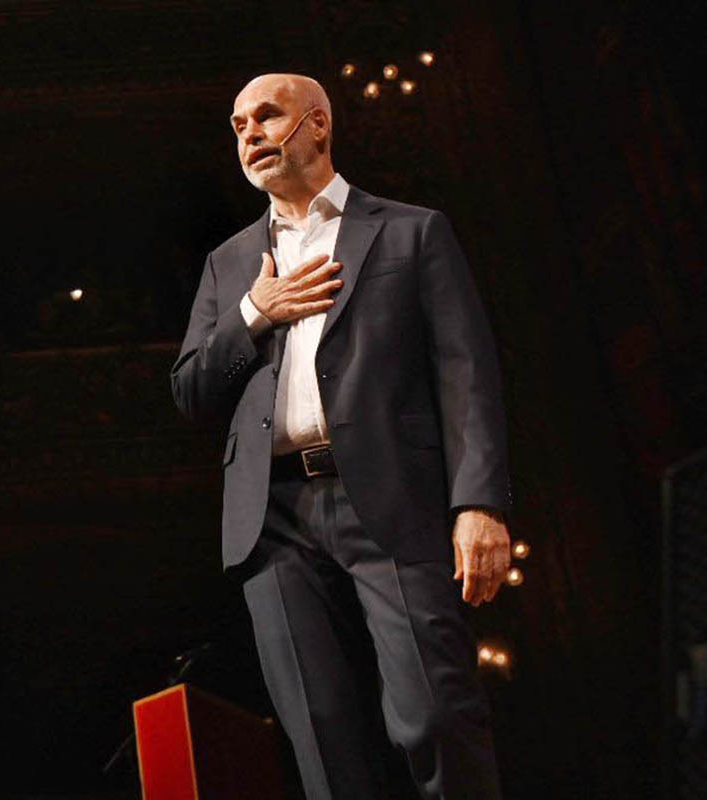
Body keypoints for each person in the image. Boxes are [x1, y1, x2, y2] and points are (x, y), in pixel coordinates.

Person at [170, 73, 514, 799]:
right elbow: (192, 392)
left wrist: (478, 503)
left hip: (389, 499)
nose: (250, 134)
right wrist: (253, 314)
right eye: (237, 125)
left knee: (433, 714)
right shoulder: (228, 263)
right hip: (273, 518)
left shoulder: (410, 231)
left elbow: (466, 372)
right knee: (322, 740)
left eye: (267, 116)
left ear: (319, 125)